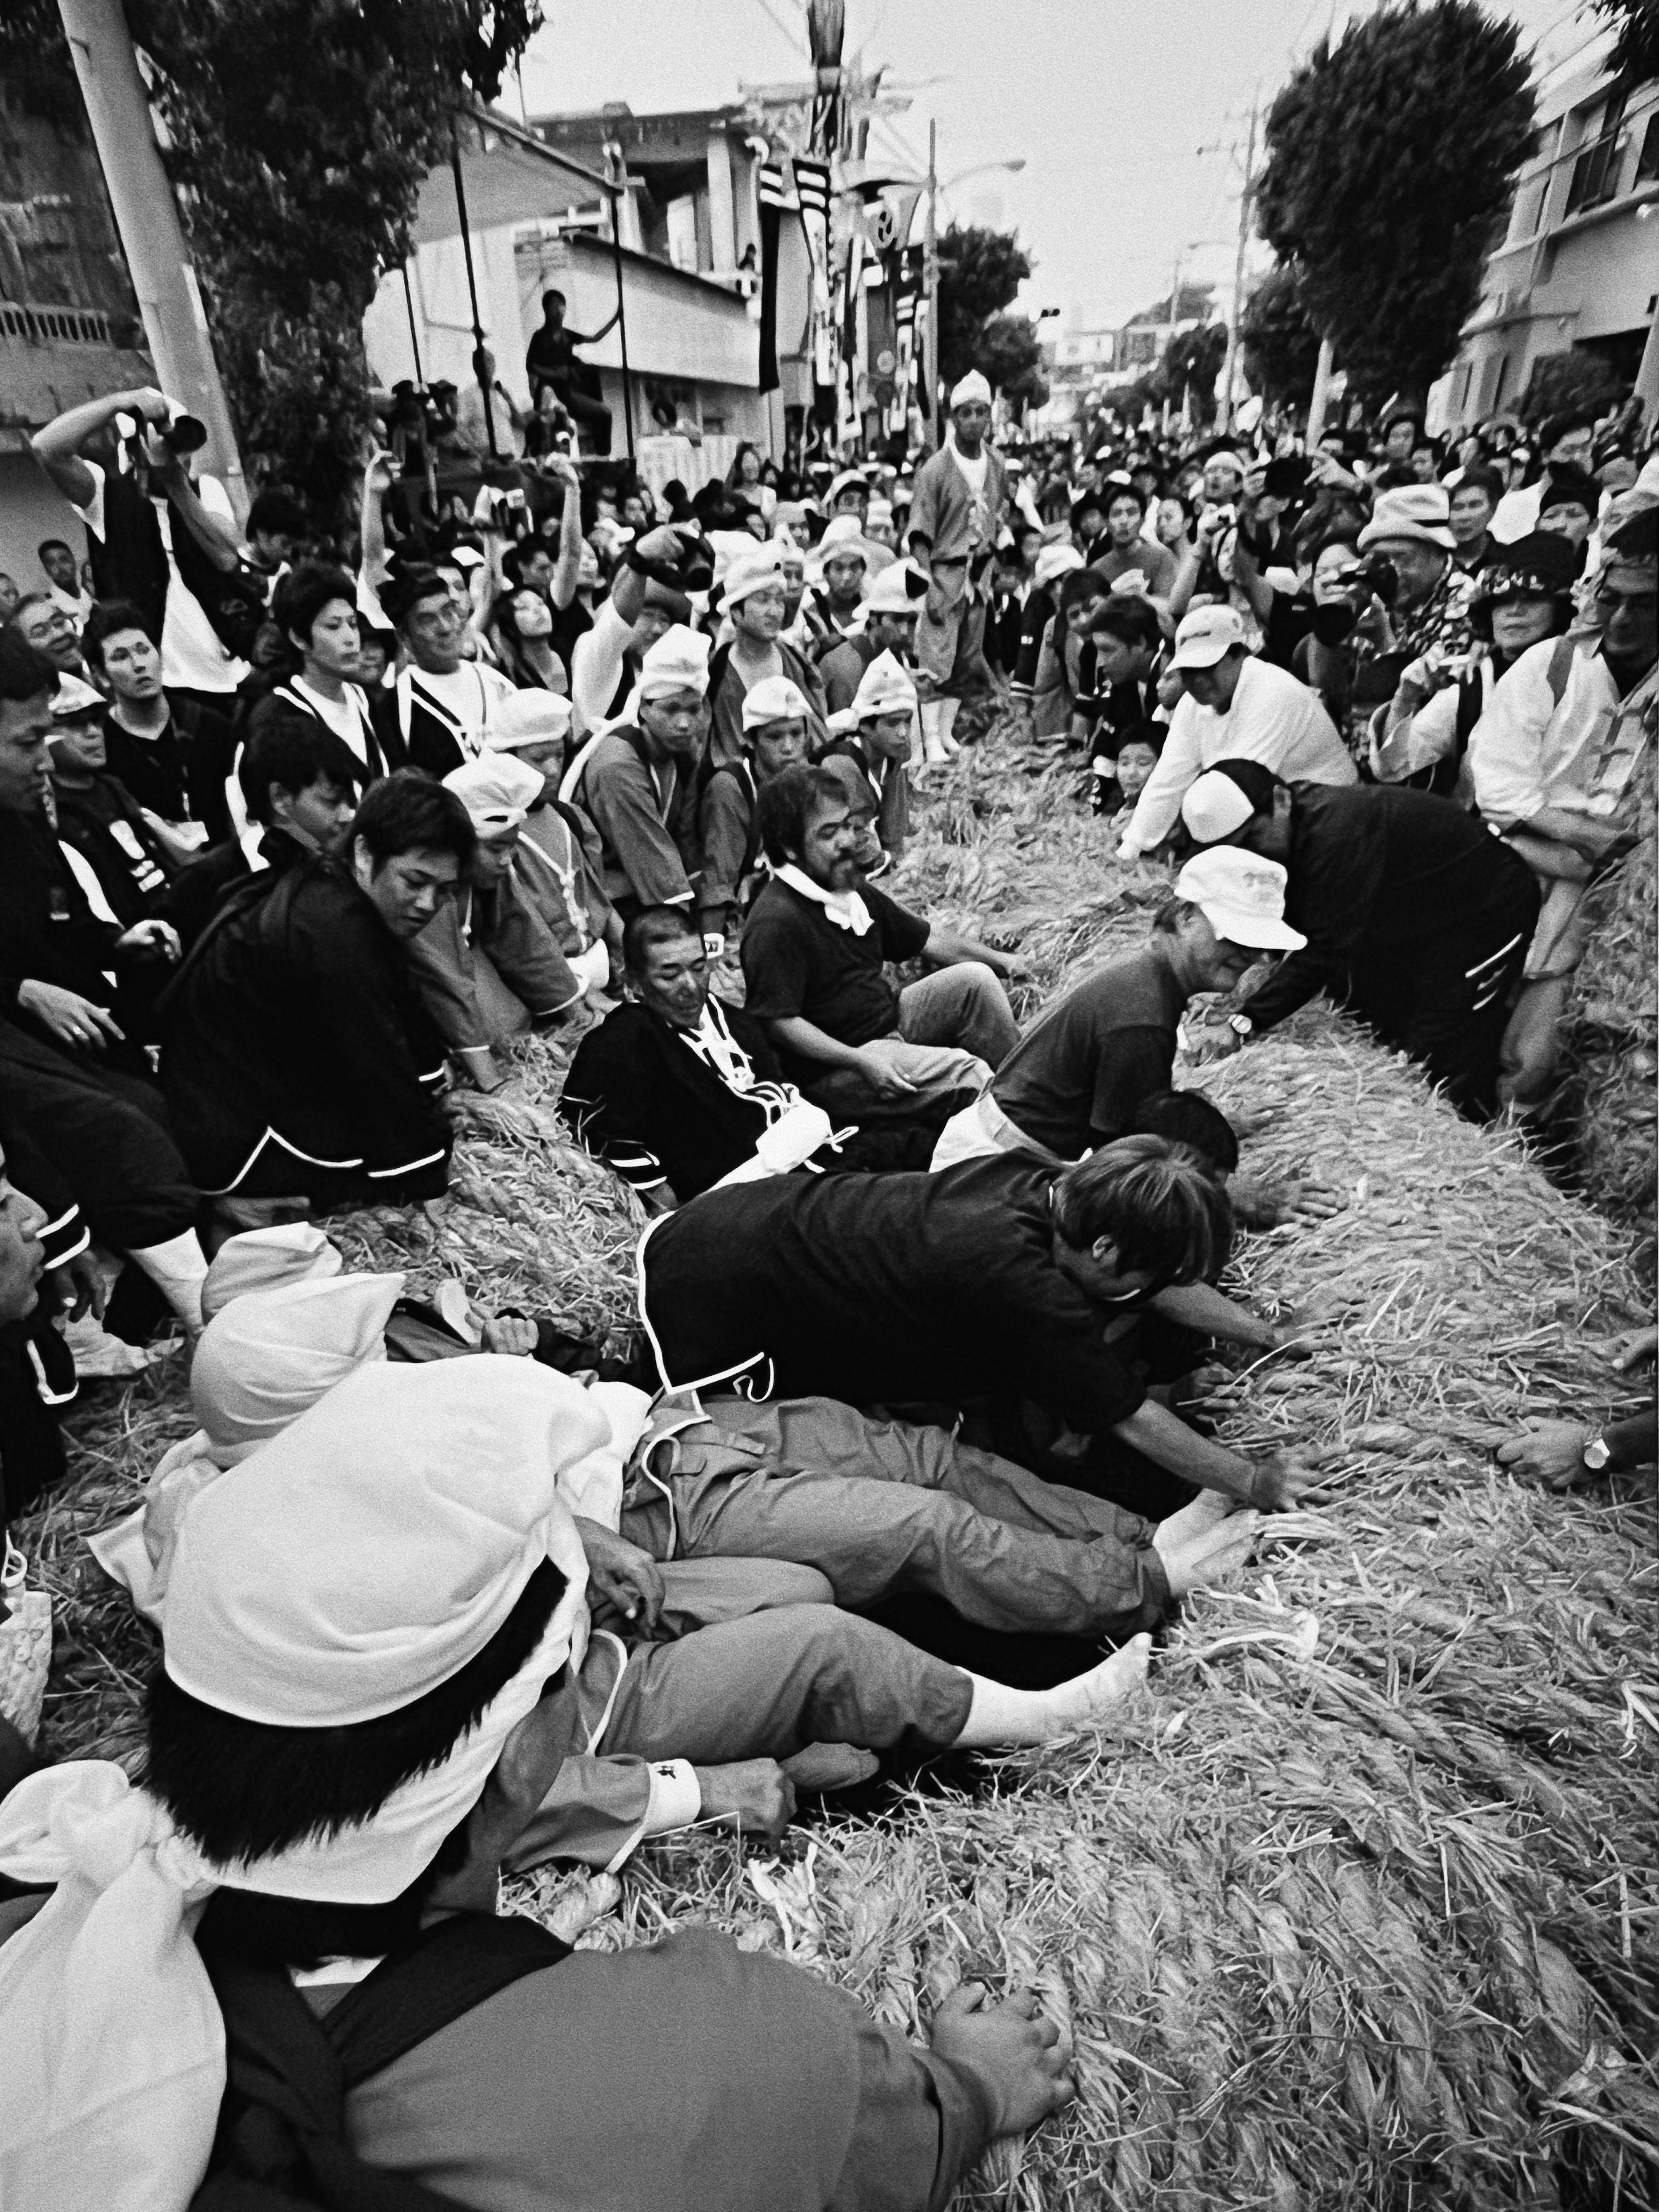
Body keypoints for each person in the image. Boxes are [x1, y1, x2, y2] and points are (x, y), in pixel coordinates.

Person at [1, 1349, 1084, 2212]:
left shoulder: (44, 1904)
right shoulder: (726, 2056)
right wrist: (978, 2084)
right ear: (521, 1754)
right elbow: (901, 2137)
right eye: (570, 1656)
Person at [639, 1135, 1314, 1514]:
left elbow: (1156, 1286)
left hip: (726, 1219)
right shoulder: (1019, 1283)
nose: (1150, 1293)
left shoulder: (1047, 1183)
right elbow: (1132, 1416)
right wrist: (1253, 1481)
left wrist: (1268, 1335)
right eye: (1140, 1278)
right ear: (1106, 1248)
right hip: (709, 1302)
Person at [158, 770, 465, 1215]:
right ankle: (238, 1203)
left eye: (444, 889)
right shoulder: (335, 931)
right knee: (385, 1160)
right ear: (365, 852)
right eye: (415, 882)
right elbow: (377, 1061)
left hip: (248, 1088)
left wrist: (432, 1083)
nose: (427, 903)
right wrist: (425, 1175)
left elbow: (399, 1016)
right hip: (237, 1128)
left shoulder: (337, 893)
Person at [1177, 757, 1539, 1121]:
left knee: (1441, 1047)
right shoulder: (1288, 831)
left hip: (1484, 911)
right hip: (1409, 913)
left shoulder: (1337, 833)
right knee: (1378, 1017)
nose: (1250, 857)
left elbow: (1324, 949)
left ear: (1282, 800)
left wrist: (1245, 1021)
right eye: (1235, 851)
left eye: (1254, 839)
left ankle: (1468, 1132)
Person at [932, 848, 1303, 1171]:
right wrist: (1241, 1196)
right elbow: (1130, 1158)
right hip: (993, 1167)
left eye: (1260, 944)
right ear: (1186, 918)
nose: (1250, 955)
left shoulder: (1148, 977)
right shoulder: (1142, 1016)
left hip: (1006, 1148)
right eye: (1235, 936)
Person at [1468, 509, 1658, 1110]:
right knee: (1465, 1029)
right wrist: (1582, 835)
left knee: (1532, 1065)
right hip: (1514, 868)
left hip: (1604, 905)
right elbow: (1497, 787)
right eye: (1612, 599)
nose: (1624, 619)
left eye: (1646, 604)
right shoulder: (1550, 663)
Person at [562, 905, 939, 1206]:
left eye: (698, 967)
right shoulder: (627, 1037)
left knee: (938, 1143)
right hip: (761, 1191)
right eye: (670, 975)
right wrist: (667, 1202)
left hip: (820, 1146)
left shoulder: (732, 1020)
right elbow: (590, 1120)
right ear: (635, 983)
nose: (691, 987)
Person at [741, 765, 1024, 1123]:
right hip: (839, 1068)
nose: (846, 840)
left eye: (847, 825)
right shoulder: (776, 921)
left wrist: (1007, 962)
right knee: (966, 1072)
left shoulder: (844, 888)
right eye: (828, 834)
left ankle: (1031, 1087)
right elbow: (780, 1023)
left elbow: (927, 938)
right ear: (789, 848)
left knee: (975, 981)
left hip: (885, 1020)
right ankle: (1017, 1134)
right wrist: (859, 1060)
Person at [0, 632, 180, 1070]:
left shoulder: (26, 816)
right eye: (28, 743)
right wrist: (20, 992)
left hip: (88, 1030)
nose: (46, 762)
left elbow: (66, 921)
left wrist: (119, 943)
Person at [30, 384, 251, 711]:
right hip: (159, 685)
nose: (178, 454)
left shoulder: (204, 489)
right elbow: (46, 448)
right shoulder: (104, 495)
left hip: (233, 675)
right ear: (133, 452)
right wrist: (120, 403)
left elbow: (227, 555)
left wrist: (175, 481)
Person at [404, 753, 586, 1090]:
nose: (507, 860)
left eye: (512, 847)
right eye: (496, 848)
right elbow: (445, 982)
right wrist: (493, 1083)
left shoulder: (493, 876)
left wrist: (580, 1020)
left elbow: (527, 942)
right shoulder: (430, 892)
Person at [1117, 607, 1356, 859]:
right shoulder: (1191, 703)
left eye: (1208, 667)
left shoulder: (1274, 691)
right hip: (1278, 810)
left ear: (1241, 655)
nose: (1198, 679)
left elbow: (1241, 787)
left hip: (1329, 814)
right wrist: (1132, 847)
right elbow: (1169, 777)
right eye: (1189, 669)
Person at [1371, 533, 1578, 801]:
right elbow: (1393, 767)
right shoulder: (1475, 685)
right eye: (1501, 601)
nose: (1514, 611)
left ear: (1560, 609)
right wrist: (1405, 698)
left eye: (1531, 598)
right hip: (1481, 837)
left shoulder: (1586, 676)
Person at [1308, 485, 1479, 764]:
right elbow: (1322, 682)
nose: (1390, 572)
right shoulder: (1374, 600)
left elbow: (1428, 708)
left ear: (1439, 552)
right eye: (1381, 559)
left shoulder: (1468, 609)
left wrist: (1386, 645)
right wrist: (1337, 625)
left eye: (1402, 559)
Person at [164, 713, 362, 947]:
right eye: (332, 801)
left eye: (350, 801)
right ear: (280, 798)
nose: (347, 815)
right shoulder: (203, 887)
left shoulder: (355, 868)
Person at [563, 624, 710, 917]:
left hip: (646, 882)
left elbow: (686, 840)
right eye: (671, 709)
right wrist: (693, 935)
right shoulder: (617, 765)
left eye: (694, 710)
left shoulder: (684, 750)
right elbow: (657, 865)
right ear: (643, 708)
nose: (684, 724)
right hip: (600, 898)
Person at [481, 691, 617, 999]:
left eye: (559, 754)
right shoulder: (495, 836)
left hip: (599, 967)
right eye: (539, 759)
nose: (554, 769)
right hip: (552, 988)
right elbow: (526, 937)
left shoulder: (567, 817)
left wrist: (635, 957)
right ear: (506, 760)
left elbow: (599, 903)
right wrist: (583, 996)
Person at [909, 369, 1010, 763]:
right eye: (965, 413)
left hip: (979, 574)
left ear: (990, 417)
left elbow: (997, 514)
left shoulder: (997, 463)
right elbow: (920, 533)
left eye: (980, 412)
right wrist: (928, 585)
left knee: (966, 656)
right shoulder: (935, 468)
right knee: (935, 657)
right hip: (944, 570)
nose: (973, 420)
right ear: (953, 418)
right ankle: (928, 737)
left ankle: (947, 732)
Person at [81, 599, 235, 843]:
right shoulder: (101, 745)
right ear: (101, 676)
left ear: (160, 655)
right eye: (121, 657)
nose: (138, 664)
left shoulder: (209, 724)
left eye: (144, 650)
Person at [242, 563, 391, 794]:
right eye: (333, 626)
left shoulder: (366, 700)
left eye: (353, 624)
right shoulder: (278, 716)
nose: (351, 638)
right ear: (299, 638)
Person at [44, 675, 179, 926]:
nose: (93, 733)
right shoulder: (52, 809)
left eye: (96, 721)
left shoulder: (112, 785)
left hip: (165, 909)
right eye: (76, 725)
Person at [697, 674, 813, 944]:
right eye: (775, 737)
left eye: (796, 733)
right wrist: (712, 955)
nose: (789, 748)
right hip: (736, 917)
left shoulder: (806, 778)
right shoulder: (732, 787)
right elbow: (718, 881)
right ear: (750, 739)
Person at [375, 564, 518, 777]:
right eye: (428, 620)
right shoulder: (395, 707)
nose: (445, 627)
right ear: (404, 637)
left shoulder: (497, 683)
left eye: (448, 612)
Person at [706, 546, 828, 773]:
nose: (775, 611)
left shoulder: (797, 662)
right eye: (763, 600)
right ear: (735, 611)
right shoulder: (716, 673)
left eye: (779, 600)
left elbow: (819, 739)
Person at [569, 523, 696, 734]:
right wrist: (640, 561)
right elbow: (617, 623)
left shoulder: (668, 675)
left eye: (664, 620)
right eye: (646, 615)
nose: (658, 629)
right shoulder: (602, 661)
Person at [817, 557, 923, 714]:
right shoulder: (846, 667)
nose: (905, 632)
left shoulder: (904, 660)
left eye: (912, 621)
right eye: (898, 619)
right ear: (874, 618)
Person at [525, 287, 617, 455]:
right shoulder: (539, 338)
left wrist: (615, 319)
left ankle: (604, 456)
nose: (559, 311)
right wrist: (555, 374)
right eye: (555, 306)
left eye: (562, 306)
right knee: (552, 427)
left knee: (604, 413)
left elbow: (595, 338)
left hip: (567, 394)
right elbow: (533, 367)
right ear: (547, 310)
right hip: (548, 395)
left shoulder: (568, 336)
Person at [1491, 410, 1599, 543]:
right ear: (1546, 456)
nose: (1578, 459)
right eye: (1569, 450)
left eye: (1585, 449)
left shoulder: (1602, 502)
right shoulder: (1513, 506)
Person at [1090, 483, 1178, 609]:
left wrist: (1139, 597)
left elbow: (1170, 607)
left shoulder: (1162, 557)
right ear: (1107, 524)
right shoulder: (1097, 570)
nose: (1124, 521)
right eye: (1116, 514)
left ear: (1142, 520)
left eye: (1131, 513)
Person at [454, 345, 526, 461]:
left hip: (509, 454)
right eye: (482, 362)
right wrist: (476, 450)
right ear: (475, 366)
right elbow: (461, 427)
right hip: (488, 459)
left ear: (494, 365)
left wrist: (509, 401)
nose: (487, 366)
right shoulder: (469, 395)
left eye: (490, 361)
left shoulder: (502, 391)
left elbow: (521, 425)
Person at [1449, 464, 1506, 576]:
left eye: (1475, 505)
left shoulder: (1509, 561)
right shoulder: (1434, 563)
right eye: (1456, 507)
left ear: (1492, 510)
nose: (1465, 516)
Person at [37, 537, 91, 626]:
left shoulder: (91, 584)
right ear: (47, 570)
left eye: (64, 559)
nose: (60, 567)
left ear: (73, 561)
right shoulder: (50, 608)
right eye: (51, 563)